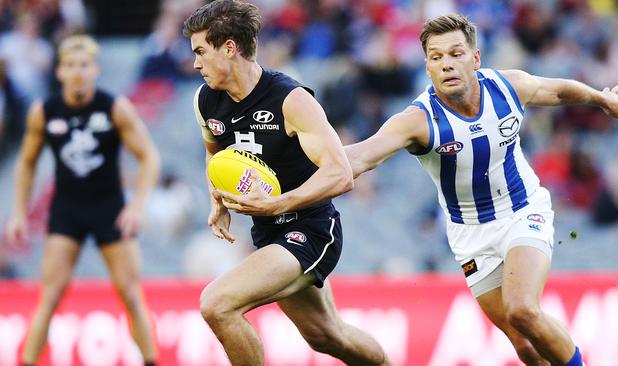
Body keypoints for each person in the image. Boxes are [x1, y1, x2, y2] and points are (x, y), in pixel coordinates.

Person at [345, 14, 618, 366]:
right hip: (469, 234)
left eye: (455, 53)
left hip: (522, 210)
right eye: (436, 57)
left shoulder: (508, 87)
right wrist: (304, 159)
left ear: (476, 58)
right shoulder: (417, 120)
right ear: (428, 67)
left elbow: (556, 90)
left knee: (523, 310)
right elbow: (360, 157)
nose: (447, 64)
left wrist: (599, 98)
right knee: (523, 344)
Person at [182, 1, 390, 365]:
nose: (195, 63)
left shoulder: (290, 99)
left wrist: (279, 203)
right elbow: (215, 152)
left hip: (310, 228)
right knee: (326, 336)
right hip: (268, 232)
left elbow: (340, 173)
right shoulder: (206, 100)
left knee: (218, 304)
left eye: (201, 51)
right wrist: (218, 200)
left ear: (229, 48)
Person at [6, 35, 160, 366]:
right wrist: (18, 213)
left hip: (110, 209)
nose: (78, 73)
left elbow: (149, 157)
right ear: (60, 71)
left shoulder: (114, 107)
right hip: (67, 211)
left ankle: (151, 361)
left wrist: (136, 206)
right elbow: (27, 163)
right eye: (71, 66)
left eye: (84, 66)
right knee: (50, 295)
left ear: (95, 70)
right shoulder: (44, 112)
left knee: (131, 294)